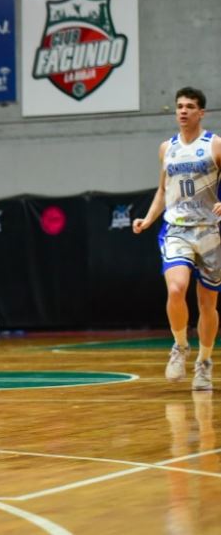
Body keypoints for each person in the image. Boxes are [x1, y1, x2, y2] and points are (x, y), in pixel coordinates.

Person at [133, 86, 221, 391]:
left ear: (201, 113)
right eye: (180, 106)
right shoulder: (166, 148)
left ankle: (204, 362)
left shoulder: (214, 145)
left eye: (190, 106)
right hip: (177, 229)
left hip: (210, 232)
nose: (183, 111)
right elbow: (163, 189)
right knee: (176, 288)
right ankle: (180, 345)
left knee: (207, 304)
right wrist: (148, 218)